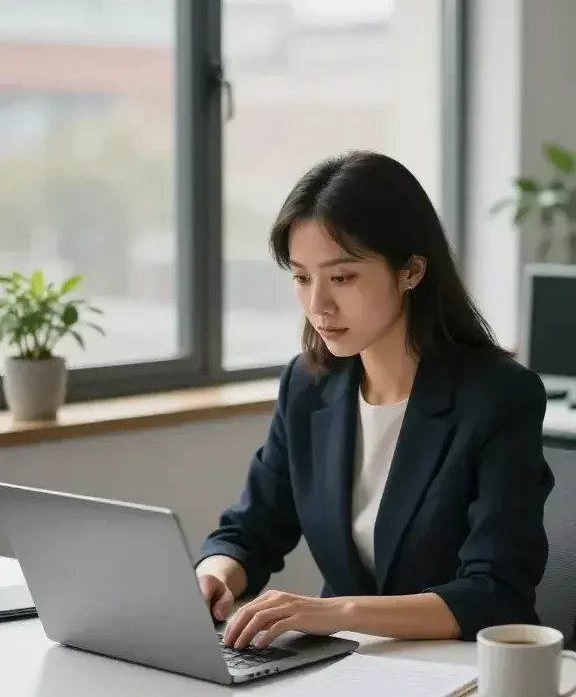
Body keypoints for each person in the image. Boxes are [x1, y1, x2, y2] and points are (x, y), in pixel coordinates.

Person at [195, 151, 554, 649]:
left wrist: (331, 612)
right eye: (302, 277)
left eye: (341, 277)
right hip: (347, 668)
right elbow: (251, 529)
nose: (318, 305)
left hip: (457, 671)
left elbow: (495, 593)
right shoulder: (308, 385)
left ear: (411, 271)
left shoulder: (498, 396)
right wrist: (214, 576)